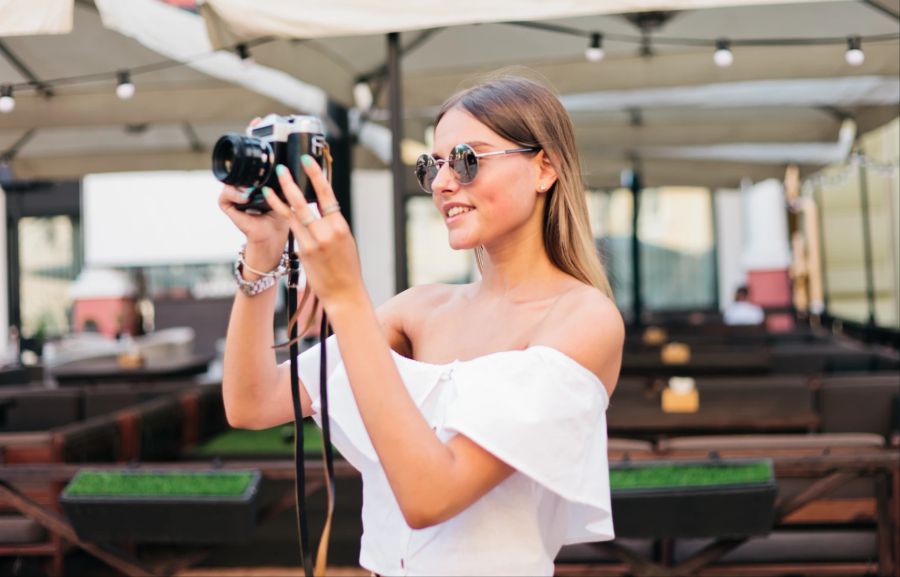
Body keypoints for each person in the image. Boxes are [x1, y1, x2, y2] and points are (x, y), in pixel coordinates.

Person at [218, 73, 625, 576]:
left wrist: (346, 297)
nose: (442, 182)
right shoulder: (422, 308)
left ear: (545, 168)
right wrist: (262, 251)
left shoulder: (584, 318)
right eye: (432, 165)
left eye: (467, 160)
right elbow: (252, 402)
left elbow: (432, 495)